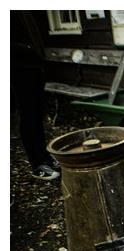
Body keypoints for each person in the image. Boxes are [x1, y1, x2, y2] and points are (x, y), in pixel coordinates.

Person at [11, 11, 60, 180]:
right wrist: (26, 49)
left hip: (33, 64)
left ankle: (45, 157)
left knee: (37, 113)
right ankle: (37, 163)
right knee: (28, 113)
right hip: (17, 65)